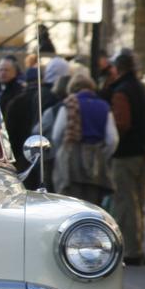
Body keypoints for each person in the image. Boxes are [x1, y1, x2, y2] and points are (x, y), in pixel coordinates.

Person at [105, 50, 145, 265]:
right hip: (144, 152)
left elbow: (121, 124)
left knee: (126, 202)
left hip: (125, 154)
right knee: (140, 202)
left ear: (118, 68)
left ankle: (131, 250)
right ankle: (139, 247)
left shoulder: (121, 91)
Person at [51, 74, 118, 206]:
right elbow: (112, 139)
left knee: (70, 204)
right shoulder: (104, 106)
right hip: (96, 162)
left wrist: (62, 152)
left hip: (71, 160)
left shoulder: (69, 104)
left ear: (72, 89)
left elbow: (56, 135)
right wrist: (103, 155)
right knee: (92, 205)